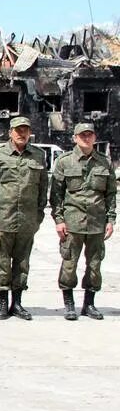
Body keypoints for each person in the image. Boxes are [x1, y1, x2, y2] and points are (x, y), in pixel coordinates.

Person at [0, 116, 48, 320]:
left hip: (27, 219)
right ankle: (2, 304)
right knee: (2, 261)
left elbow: (43, 188)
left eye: (25, 130)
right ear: (10, 132)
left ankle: (17, 303)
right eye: (18, 130)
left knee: (22, 262)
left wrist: (39, 216)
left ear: (29, 133)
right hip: (3, 217)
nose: (21, 134)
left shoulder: (38, 155)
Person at [50, 122, 116, 320]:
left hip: (97, 223)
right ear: (75, 138)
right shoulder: (64, 161)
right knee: (69, 263)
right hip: (72, 223)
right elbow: (56, 194)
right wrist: (59, 220)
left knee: (95, 266)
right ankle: (69, 304)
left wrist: (110, 219)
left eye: (90, 135)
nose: (86, 138)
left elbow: (111, 193)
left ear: (95, 137)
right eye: (82, 135)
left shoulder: (104, 162)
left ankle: (89, 304)